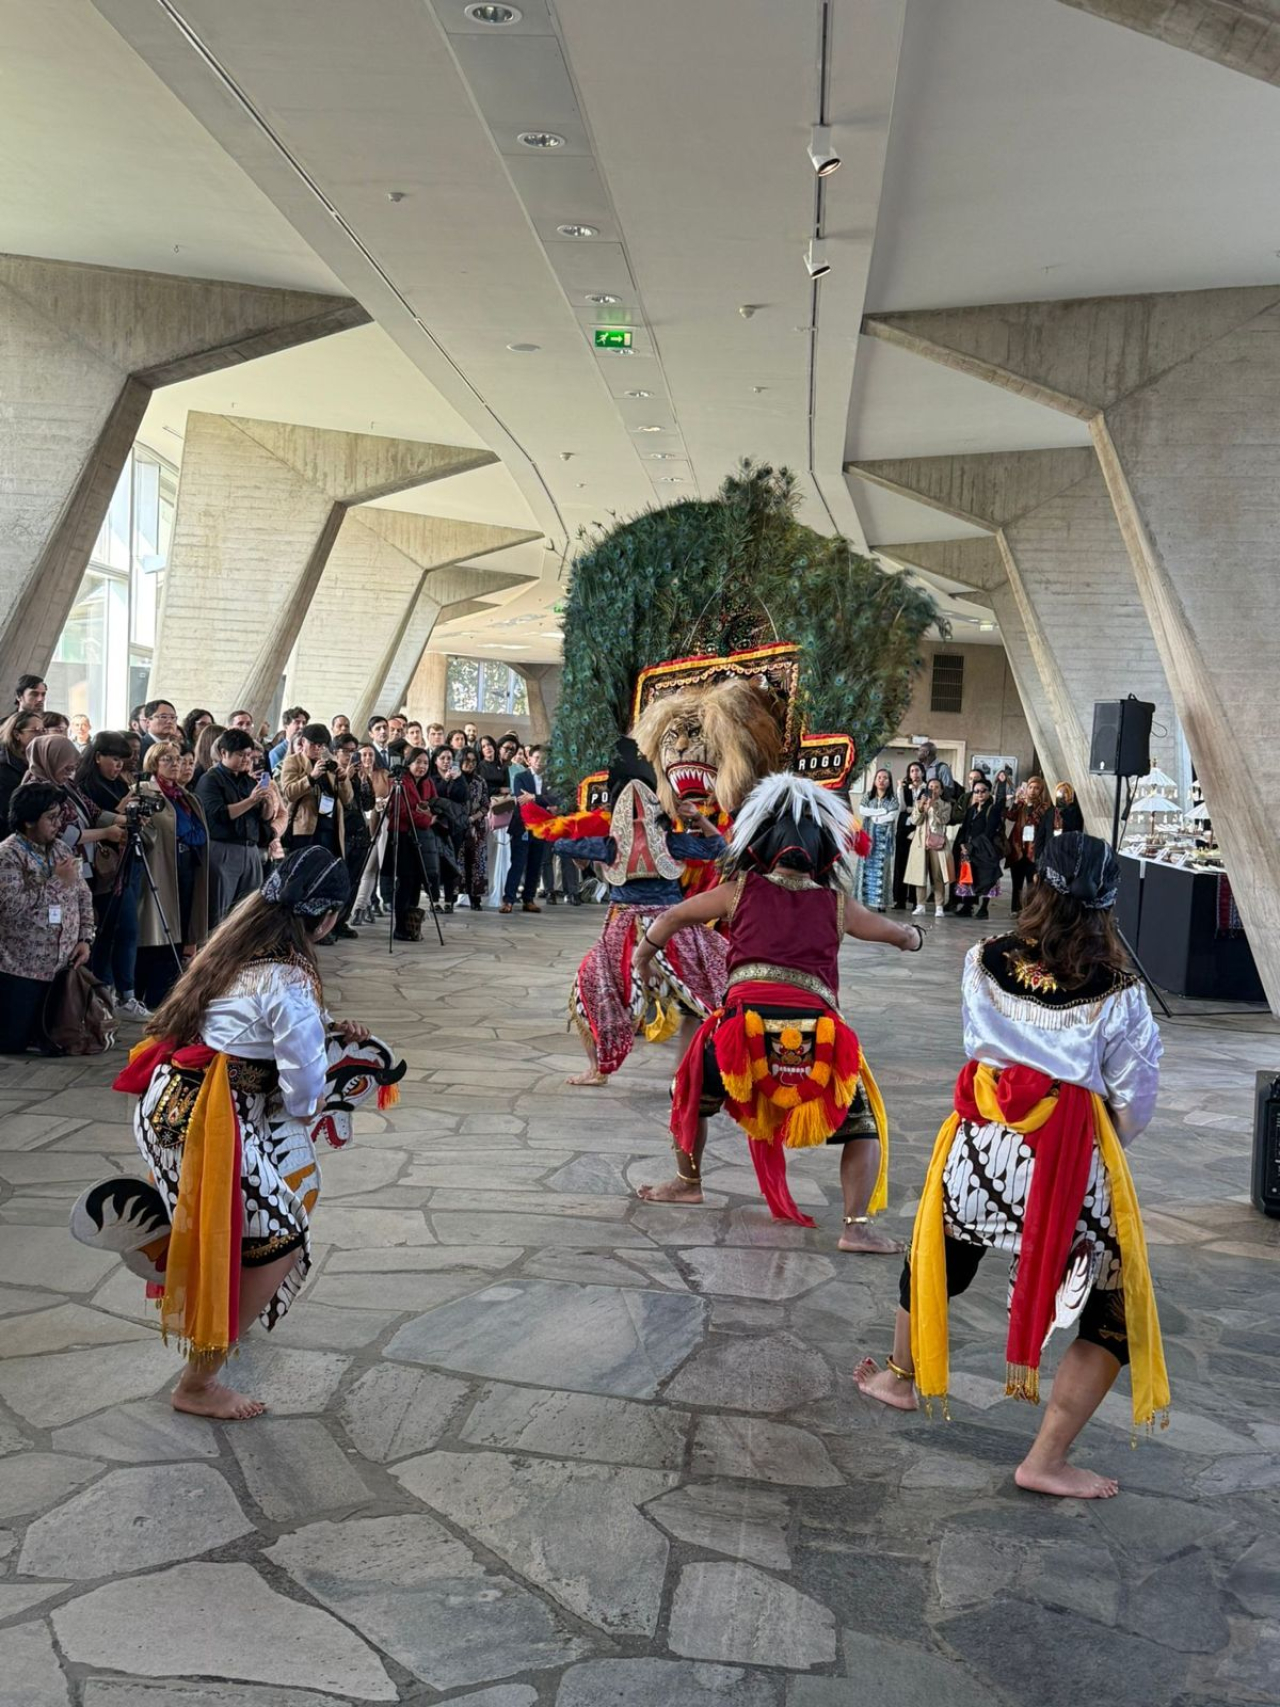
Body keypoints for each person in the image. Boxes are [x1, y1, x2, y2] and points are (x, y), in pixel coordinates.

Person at [856, 833, 1169, 1499]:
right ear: (1106, 907)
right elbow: (1135, 1098)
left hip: (980, 1151)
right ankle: (1046, 1458)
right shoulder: (1120, 991)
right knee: (1113, 1309)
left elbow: (981, 1041)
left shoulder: (984, 958)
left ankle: (898, 1378)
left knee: (936, 1253)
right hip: (1070, 1165)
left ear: (1039, 889)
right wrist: (1094, 1143)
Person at [107, 848, 371, 1419]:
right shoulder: (291, 975)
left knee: (256, 1226)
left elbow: (250, 1024)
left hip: (179, 1106)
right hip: (206, 1120)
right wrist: (316, 1093)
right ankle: (198, 1382)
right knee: (281, 1237)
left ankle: (219, 1308)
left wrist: (325, 1030)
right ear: (326, 918)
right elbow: (302, 1086)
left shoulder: (242, 942)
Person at [636, 774, 922, 1251]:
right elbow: (896, 934)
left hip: (739, 1032)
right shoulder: (836, 902)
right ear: (823, 851)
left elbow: (670, 918)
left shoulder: (738, 889)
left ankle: (688, 1183)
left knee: (688, 1088)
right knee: (865, 1122)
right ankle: (855, 1227)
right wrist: (916, 936)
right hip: (818, 1036)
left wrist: (643, 957)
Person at [543, 739, 727, 1086]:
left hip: (629, 928)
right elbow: (719, 847)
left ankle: (600, 1069)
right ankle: (685, 1075)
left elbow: (558, 841)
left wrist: (581, 828)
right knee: (697, 998)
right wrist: (700, 818)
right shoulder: (672, 841)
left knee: (588, 988)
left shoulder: (608, 844)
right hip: (674, 928)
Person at [0, 783, 96, 1053]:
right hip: (20, 967)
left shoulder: (61, 850)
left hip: (62, 967)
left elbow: (83, 897)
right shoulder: (8, 854)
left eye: (59, 817)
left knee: (59, 1041)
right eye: (51, 818)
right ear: (29, 820)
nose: (58, 824)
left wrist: (85, 938)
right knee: (12, 1044)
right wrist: (55, 882)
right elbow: (10, 906)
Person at [133, 741, 211, 1009]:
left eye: (178, 759)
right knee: (157, 930)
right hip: (161, 867)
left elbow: (197, 830)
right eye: (168, 759)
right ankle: (146, 993)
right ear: (154, 763)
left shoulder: (184, 795)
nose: (175, 763)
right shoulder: (146, 792)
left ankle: (165, 995)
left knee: (181, 927)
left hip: (187, 864)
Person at [77, 732, 148, 1018]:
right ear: (97, 757)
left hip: (128, 860)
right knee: (115, 929)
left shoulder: (119, 782)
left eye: (123, 760)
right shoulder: (87, 786)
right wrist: (125, 810)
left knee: (127, 929)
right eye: (114, 759)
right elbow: (96, 818)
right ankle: (107, 994)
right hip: (103, 866)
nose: (118, 766)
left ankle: (119, 995)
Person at [196, 729, 275, 928]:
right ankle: (216, 955)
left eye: (248, 755)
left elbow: (263, 819)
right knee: (220, 910)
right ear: (224, 753)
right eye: (240, 755)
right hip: (223, 849)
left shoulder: (248, 780)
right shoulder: (210, 779)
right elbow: (219, 814)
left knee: (248, 910)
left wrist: (266, 802)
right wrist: (251, 800)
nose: (245, 760)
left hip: (250, 849)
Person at [278, 724, 353, 871]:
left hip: (330, 827)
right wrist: (311, 777)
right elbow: (288, 793)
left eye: (322, 745)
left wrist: (343, 779)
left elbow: (347, 799)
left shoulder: (331, 763)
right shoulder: (293, 761)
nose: (317, 748)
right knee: (302, 872)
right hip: (305, 829)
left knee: (325, 872)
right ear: (303, 742)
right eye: (313, 744)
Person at [386, 743, 439, 940]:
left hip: (422, 839)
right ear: (409, 763)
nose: (422, 766)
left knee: (417, 882)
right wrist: (426, 818)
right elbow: (401, 811)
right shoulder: (401, 782)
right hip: (403, 837)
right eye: (418, 762)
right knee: (406, 882)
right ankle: (400, 927)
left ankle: (411, 926)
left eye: (426, 763)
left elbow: (435, 805)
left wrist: (427, 813)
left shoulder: (428, 783)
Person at [500, 744, 549, 914]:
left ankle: (529, 899)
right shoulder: (520, 776)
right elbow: (521, 799)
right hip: (521, 826)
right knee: (518, 863)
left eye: (543, 759)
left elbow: (555, 799)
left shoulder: (550, 780)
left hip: (541, 828)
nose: (540, 762)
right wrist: (543, 802)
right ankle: (508, 900)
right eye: (536, 758)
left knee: (535, 865)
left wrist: (535, 797)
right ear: (529, 759)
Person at [332, 733, 371, 938]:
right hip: (342, 833)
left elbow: (368, 804)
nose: (351, 755)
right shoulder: (333, 772)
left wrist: (364, 782)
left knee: (354, 881)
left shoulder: (358, 775)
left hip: (360, 833)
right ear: (336, 752)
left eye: (353, 751)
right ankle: (330, 923)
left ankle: (343, 921)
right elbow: (343, 801)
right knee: (339, 880)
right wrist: (345, 776)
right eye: (346, 751)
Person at [953, 775, 1005, 920]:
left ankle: (984, 907)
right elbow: (964, 828)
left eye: (983, 791)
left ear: (989, 793)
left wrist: (972, 845)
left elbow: (989, 832)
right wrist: (962, 844)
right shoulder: (972, 809)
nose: (980, 794)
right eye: (976, 791)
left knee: (987, 877)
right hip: (968, 849)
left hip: (984, 849)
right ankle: (967, 905)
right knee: (969, 876)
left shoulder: (992, 809)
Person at [905, 779, 954, 918]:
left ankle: (939, 906)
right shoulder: (919, 802)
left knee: (937, 875)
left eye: (937, 787)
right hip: (920, 843)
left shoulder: (945, 804)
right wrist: (921, 808)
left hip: (937, 843)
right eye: (931, 786)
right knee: (919, 875)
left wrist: (935, 808)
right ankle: (920, 905)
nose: (933, 789)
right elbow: (915, 821)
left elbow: (944, 821)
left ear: (941, 790)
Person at [429, 746, 468, 912]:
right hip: (435, 825)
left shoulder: (459, 777)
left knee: (452, 863)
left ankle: (449, 900)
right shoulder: (431, 778)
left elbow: (463, 797)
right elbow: (434, 797)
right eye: (442, 758)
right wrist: (445, 781)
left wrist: (458, 780)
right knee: (435, 864)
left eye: (449, 758)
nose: (446, 761)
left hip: (454, 827)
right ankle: (435, 900)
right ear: (436, 760)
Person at [1007, 775, 1050, 914]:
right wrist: (1016, 801)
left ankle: (1031, 911)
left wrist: (1031, 806)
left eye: (1036, 788)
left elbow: (1038, 820)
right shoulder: (1021, 804)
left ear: (1041, 790)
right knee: (1016, 882)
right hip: (1018, 848)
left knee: (1033, 883)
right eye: (1030, 787)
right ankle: (1015, 908)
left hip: (1033, 850)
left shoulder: (1045, 807)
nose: (1032, 791)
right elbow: (1011, 816)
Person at [857, 768, 899, 912]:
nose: (881, 780)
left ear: (889, 782)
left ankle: (881, 903)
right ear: (875, 780)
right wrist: (880, 812)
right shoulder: (868, 796)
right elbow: (862, 810)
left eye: (885, 778)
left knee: (882, 870)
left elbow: (892, 816)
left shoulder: (892, 799)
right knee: (865, 868)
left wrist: (875, 817)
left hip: (884, 841)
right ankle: (863, 900)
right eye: (879, 777)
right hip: (868, 838)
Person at [458, 747, 490, 911]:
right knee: (459, 862)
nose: (469, 764)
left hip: (476, 826)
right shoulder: (455, 779)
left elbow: (485, 805)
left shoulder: (480, 781)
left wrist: (473, 818)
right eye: (466, 760)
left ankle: (475, 899)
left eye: (473, 761)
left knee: (476, 863)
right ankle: (453, 896)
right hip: (458, 825)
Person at [892, 760, 926, 912]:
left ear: (922, 772)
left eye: (917, 770)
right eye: (912, 771)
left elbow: (924, 809)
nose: (915, 773)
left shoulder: (927, 788)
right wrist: (900, 788)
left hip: (918, 828)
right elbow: (901, 808)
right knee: (900, 863)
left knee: (916, 865)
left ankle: (914, 899)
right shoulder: (904, 788)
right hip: (903, 829)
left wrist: (913, 809)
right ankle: (899, 899)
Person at [0, 710, 44, 826]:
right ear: (17, 734)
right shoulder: (4, 766)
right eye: (35, 731)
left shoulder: (34, 758)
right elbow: (7, 810)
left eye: (43, 730)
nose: (42, 735)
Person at [1035, 781, 1086, 862]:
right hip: (1049, 854)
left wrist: (1064, 811)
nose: (1062, 796)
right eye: (1060, 793)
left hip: (1066, 855)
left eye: (1065, 793)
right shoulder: (1050, 812)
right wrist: (1038, 857)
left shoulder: (1075, 813)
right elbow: (1041, 835)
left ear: (1070, 796)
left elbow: (1076, 830)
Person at [268, 707, 309, 774]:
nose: (301, 726)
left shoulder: (307, 748)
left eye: (304, 723)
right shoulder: (276, 753)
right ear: (285, 726)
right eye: (297, 722)